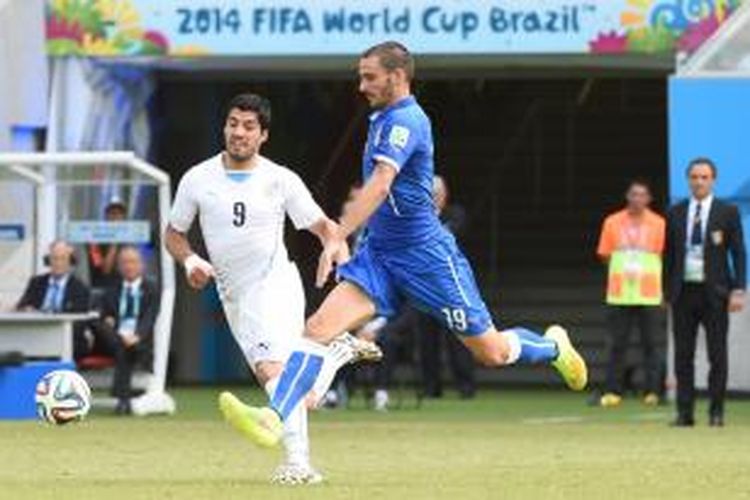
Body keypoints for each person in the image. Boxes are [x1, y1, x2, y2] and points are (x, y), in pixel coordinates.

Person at [221, 41, 588, 450]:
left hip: (426, 257)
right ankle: (274, 417)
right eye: (361, 75)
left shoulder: (407, 121)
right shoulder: (380, 117)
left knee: (493, 352)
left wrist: (337, 235)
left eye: (369, 77)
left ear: (397, 76)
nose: (361, 85)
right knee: (317, 328)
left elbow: (379, 185)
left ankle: (554, 347)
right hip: (380, 255)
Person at [164, 93, 380, 485]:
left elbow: (326, 227)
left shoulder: (280, 179)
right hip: (234, 295)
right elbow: (173, 234)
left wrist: (334, 247)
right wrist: (190, 260)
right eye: (233, 123)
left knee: (274, 371)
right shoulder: (197, 178)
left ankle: (300, 465)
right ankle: (334, 355)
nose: (239, 132)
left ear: (263, 135)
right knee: (298, 394)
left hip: (275, 282)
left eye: (248, 127)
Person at [665, 157, 746, 427]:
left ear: (713, 180)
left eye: (704, 177)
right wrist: (667, 291)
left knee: (717, 354)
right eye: (695, 177)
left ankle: (716, 412)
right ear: (688, 180)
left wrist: (738, 290)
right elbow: (670, 255)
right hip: (683, 293)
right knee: (683, 355)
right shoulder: (675, 212)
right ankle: (684, 413)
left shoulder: (728, 212)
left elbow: (739, 253)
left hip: (716, 292)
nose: (699, 181)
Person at [596, 179, 665, 407]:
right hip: (621, 292)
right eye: (633, 194)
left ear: (649, 199)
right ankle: (613, 391)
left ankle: (653, 391)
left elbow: (664, 256)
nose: (637, 199)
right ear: (627, 196)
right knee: (617, 344)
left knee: (651, 344)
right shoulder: (612, 222)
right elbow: (605, 255)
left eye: (642, 195)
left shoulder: (659, 223)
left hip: (648, 293)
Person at [420, 175, 475, 399]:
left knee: (458, 338)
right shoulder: (419, 216)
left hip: (451, 286)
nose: (433, 198)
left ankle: (465, 386)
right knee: (426, 340)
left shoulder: (455, 214)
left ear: (444, 195)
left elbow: (444, 238)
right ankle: (431, 387)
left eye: (436, 194)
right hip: (425, 286)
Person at [93, 246, 160, 415]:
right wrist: (110, 323)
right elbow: (102, 314)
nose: (129, 266)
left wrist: (136, 336)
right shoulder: (111, 288)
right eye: (124, 262)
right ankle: (123, 400)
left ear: (141, 265)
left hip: (139, 342)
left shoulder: (151, 289)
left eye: (133, 262)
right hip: (114, 339)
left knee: (126, 349)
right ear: (119, 266)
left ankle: (122, 400)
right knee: (103, 327)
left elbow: (149, 318)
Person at [16, 240, 91, 359]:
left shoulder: (80, 288)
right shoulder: (36, 282)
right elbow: (21, 306)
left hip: (66, 339)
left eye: (62, 259)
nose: (58, 263)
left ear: (70, 261)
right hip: (35, 336)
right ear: (48, 261)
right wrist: (26, 309)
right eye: (54, 258)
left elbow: (79, 324)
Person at [88, 199, 128, 289]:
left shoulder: (128, 239)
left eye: (120, 214)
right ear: (106, 216)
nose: (116, 218)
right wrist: (115, 241)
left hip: (124, 288)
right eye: (113, 213)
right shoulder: (94, 241)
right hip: (101, 290)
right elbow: (105, 270)